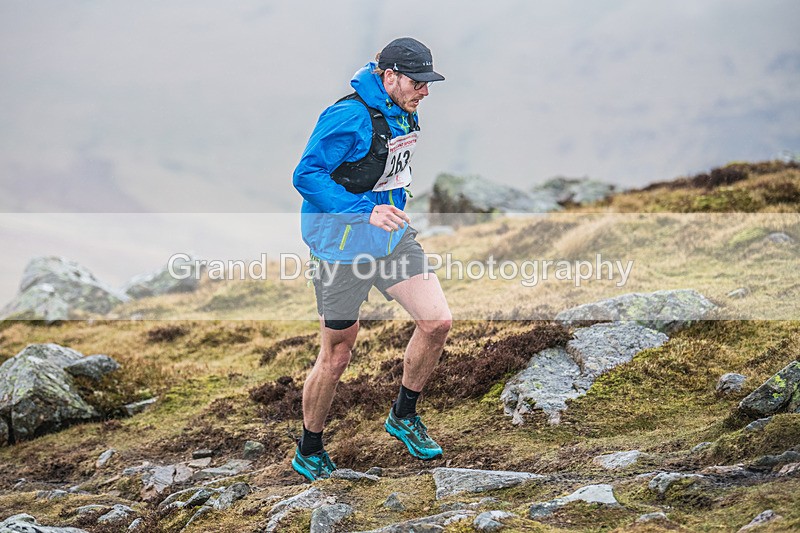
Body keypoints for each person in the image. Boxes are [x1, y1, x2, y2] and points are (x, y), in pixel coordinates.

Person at [291, 37, 452, 481]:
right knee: (338, 354)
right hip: (340, 249)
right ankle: (310, 448)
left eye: (428, 83)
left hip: (388, 240)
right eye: (418, 83)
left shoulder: (404, 109)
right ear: (390, 76)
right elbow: (306, 175)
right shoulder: (346, 115)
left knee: (436, 322)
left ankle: (403, 416)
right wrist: (366, 210)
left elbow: (386, 166)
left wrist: (391, 205)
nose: (425, 91)